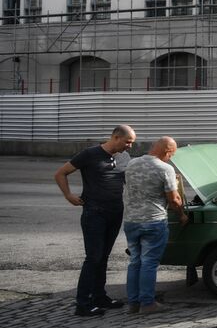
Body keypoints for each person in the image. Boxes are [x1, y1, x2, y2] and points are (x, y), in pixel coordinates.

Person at [55, 124, 136, 317]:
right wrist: (68, 195)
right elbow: (60, 173)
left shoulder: (123, 157)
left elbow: (128, 181)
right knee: (93, 258)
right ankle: (82, 304)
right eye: (128, 142)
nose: (130, 146)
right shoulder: (89, 154)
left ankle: (100, 297)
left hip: (115, 212)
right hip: (95, 213)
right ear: (116, 137)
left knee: (104, 257)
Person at [121, 136, 187, 315]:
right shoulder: (165, 168)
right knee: (149, 263)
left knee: (135, 262)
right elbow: (173, 199)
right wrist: (182, 215)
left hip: (131, 221)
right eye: (171, 155)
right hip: (153, 221)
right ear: (167, 151)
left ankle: (133, 303)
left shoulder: (132, 164)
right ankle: (148, 303)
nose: (171, 158)